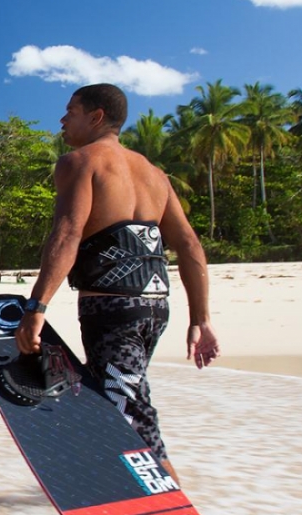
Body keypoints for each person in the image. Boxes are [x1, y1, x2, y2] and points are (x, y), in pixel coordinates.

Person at [15, 83, 219, 485]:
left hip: (113, 312)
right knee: (118, 401)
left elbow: (68, 233)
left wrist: (36, 308)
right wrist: (202, 318)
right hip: (155, 310)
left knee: (131, 422)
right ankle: (112, 485)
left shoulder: (80, 162)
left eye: (70, 111)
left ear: (96, 117)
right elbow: (189, 245)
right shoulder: (154, 174)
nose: (62, 119)